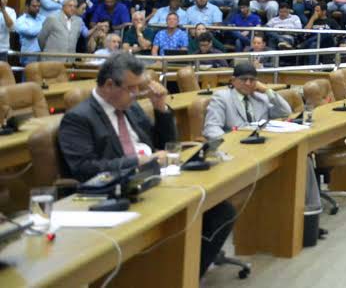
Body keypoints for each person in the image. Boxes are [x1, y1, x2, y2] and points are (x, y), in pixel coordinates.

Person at [58, 53, 235, 277]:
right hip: (117, 191)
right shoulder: (79, 118)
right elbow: (85, 168)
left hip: (153, 179)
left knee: (221, 210)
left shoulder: (131, 108)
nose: (136, 94)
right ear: (109, 84)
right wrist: (138, 161)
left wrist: (160, 108)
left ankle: (187, 276)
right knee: (184, 214)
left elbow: (165, 144)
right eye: (132, 88)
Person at [203, 60, 292, 138]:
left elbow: (285, 112)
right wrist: (228, 143)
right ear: (233, 80)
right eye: (243, 79)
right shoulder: (222, 97)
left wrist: (267, 90)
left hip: (260, 143)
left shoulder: (261, 97)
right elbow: (212, 128)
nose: (248, 83)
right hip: (234, 146)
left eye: (252, 80)